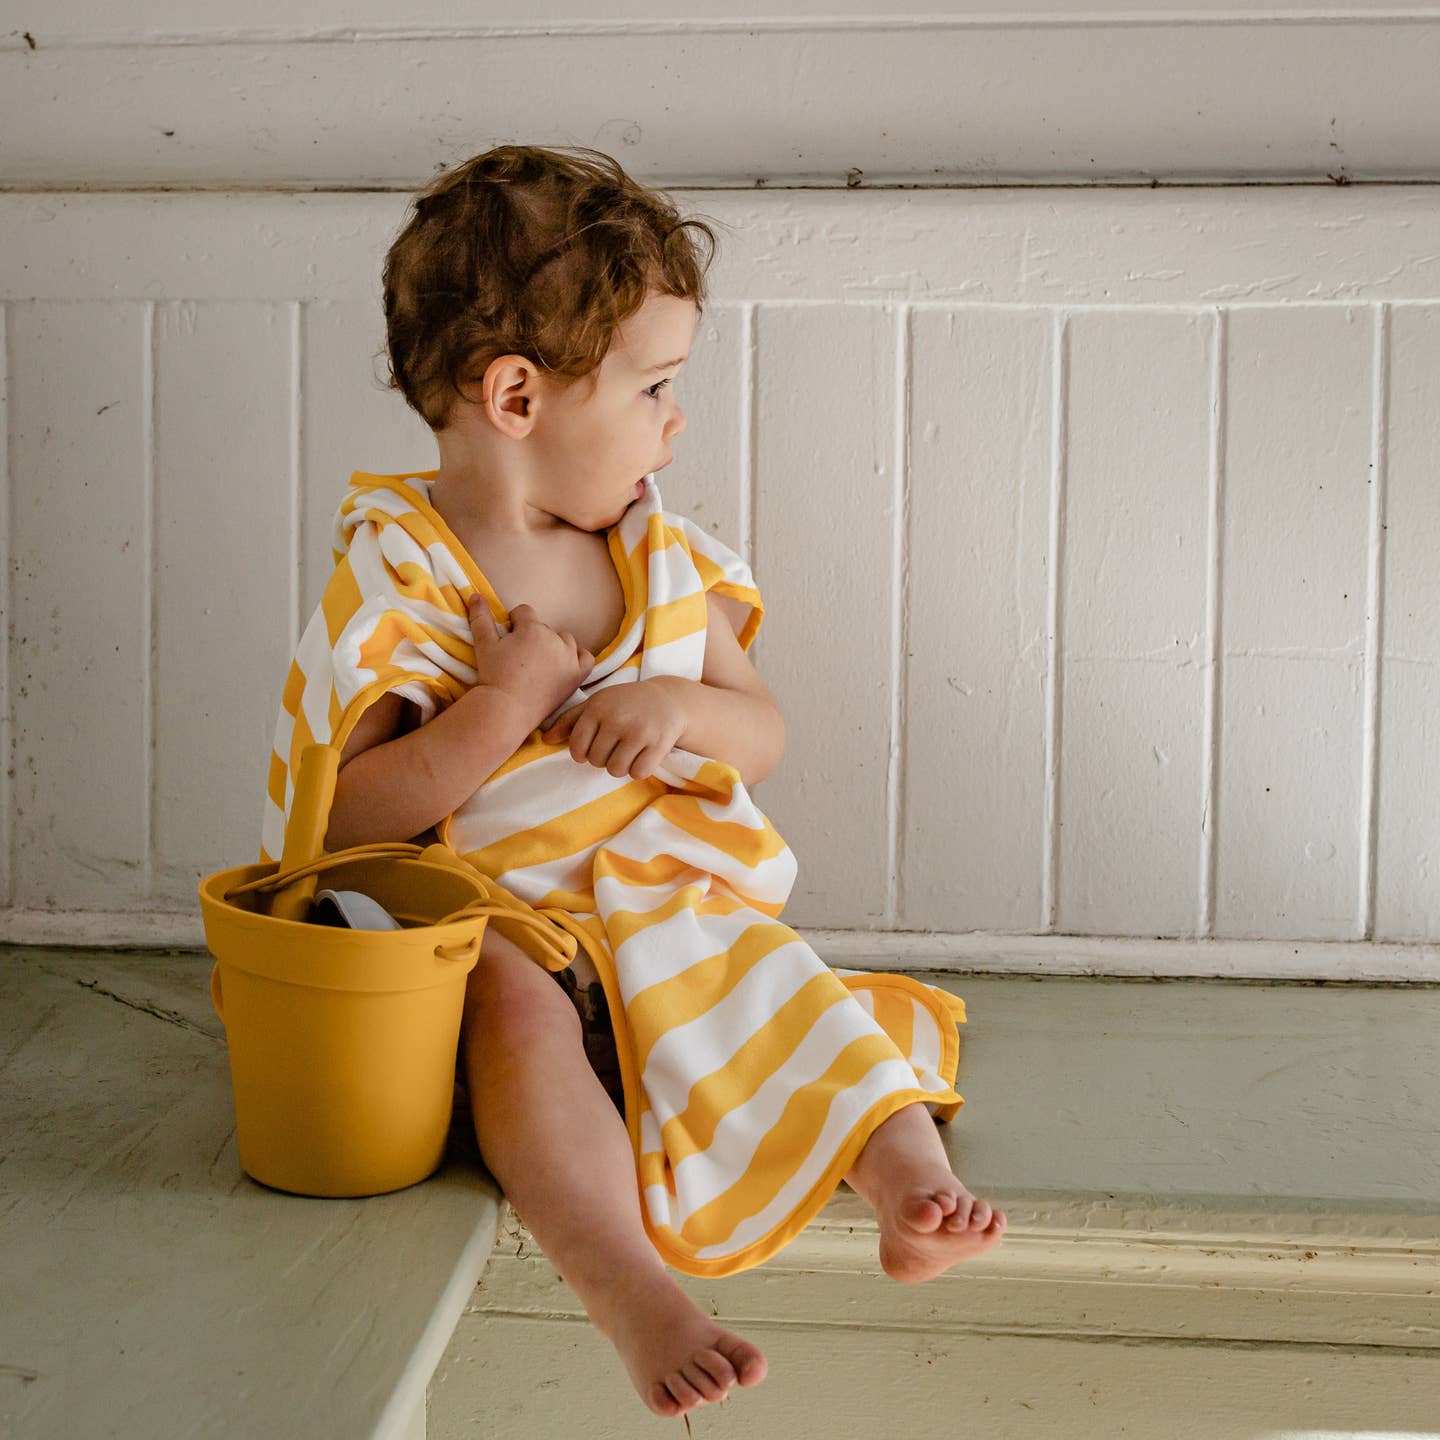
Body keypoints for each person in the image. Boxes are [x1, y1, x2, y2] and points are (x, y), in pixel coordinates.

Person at [264, 143, 1006, 1421]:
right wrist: (502, 707)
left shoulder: (659, 557)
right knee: (510, 1005)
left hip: (666, 905)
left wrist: (677, 705)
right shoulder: (410, 576)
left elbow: (759, 735)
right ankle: (622, 1283)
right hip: (502, 922)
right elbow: (346, 819)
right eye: (654, 386)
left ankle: (905, 1190)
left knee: (790, 986)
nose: (674, 421)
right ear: (516, 397)